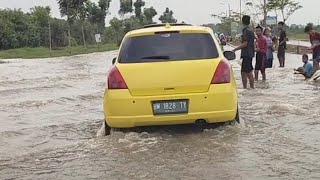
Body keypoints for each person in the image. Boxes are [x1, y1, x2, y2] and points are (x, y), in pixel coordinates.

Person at [232, 15, 255, 89]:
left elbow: (245, 44)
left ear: (242, 21)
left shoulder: (245, 31)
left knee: (246, 73)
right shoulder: (251, 31)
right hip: (250, 54)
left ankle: (249, 88)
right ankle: (250, 88)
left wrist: (235, 49)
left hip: (246, 54)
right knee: (246, 72)